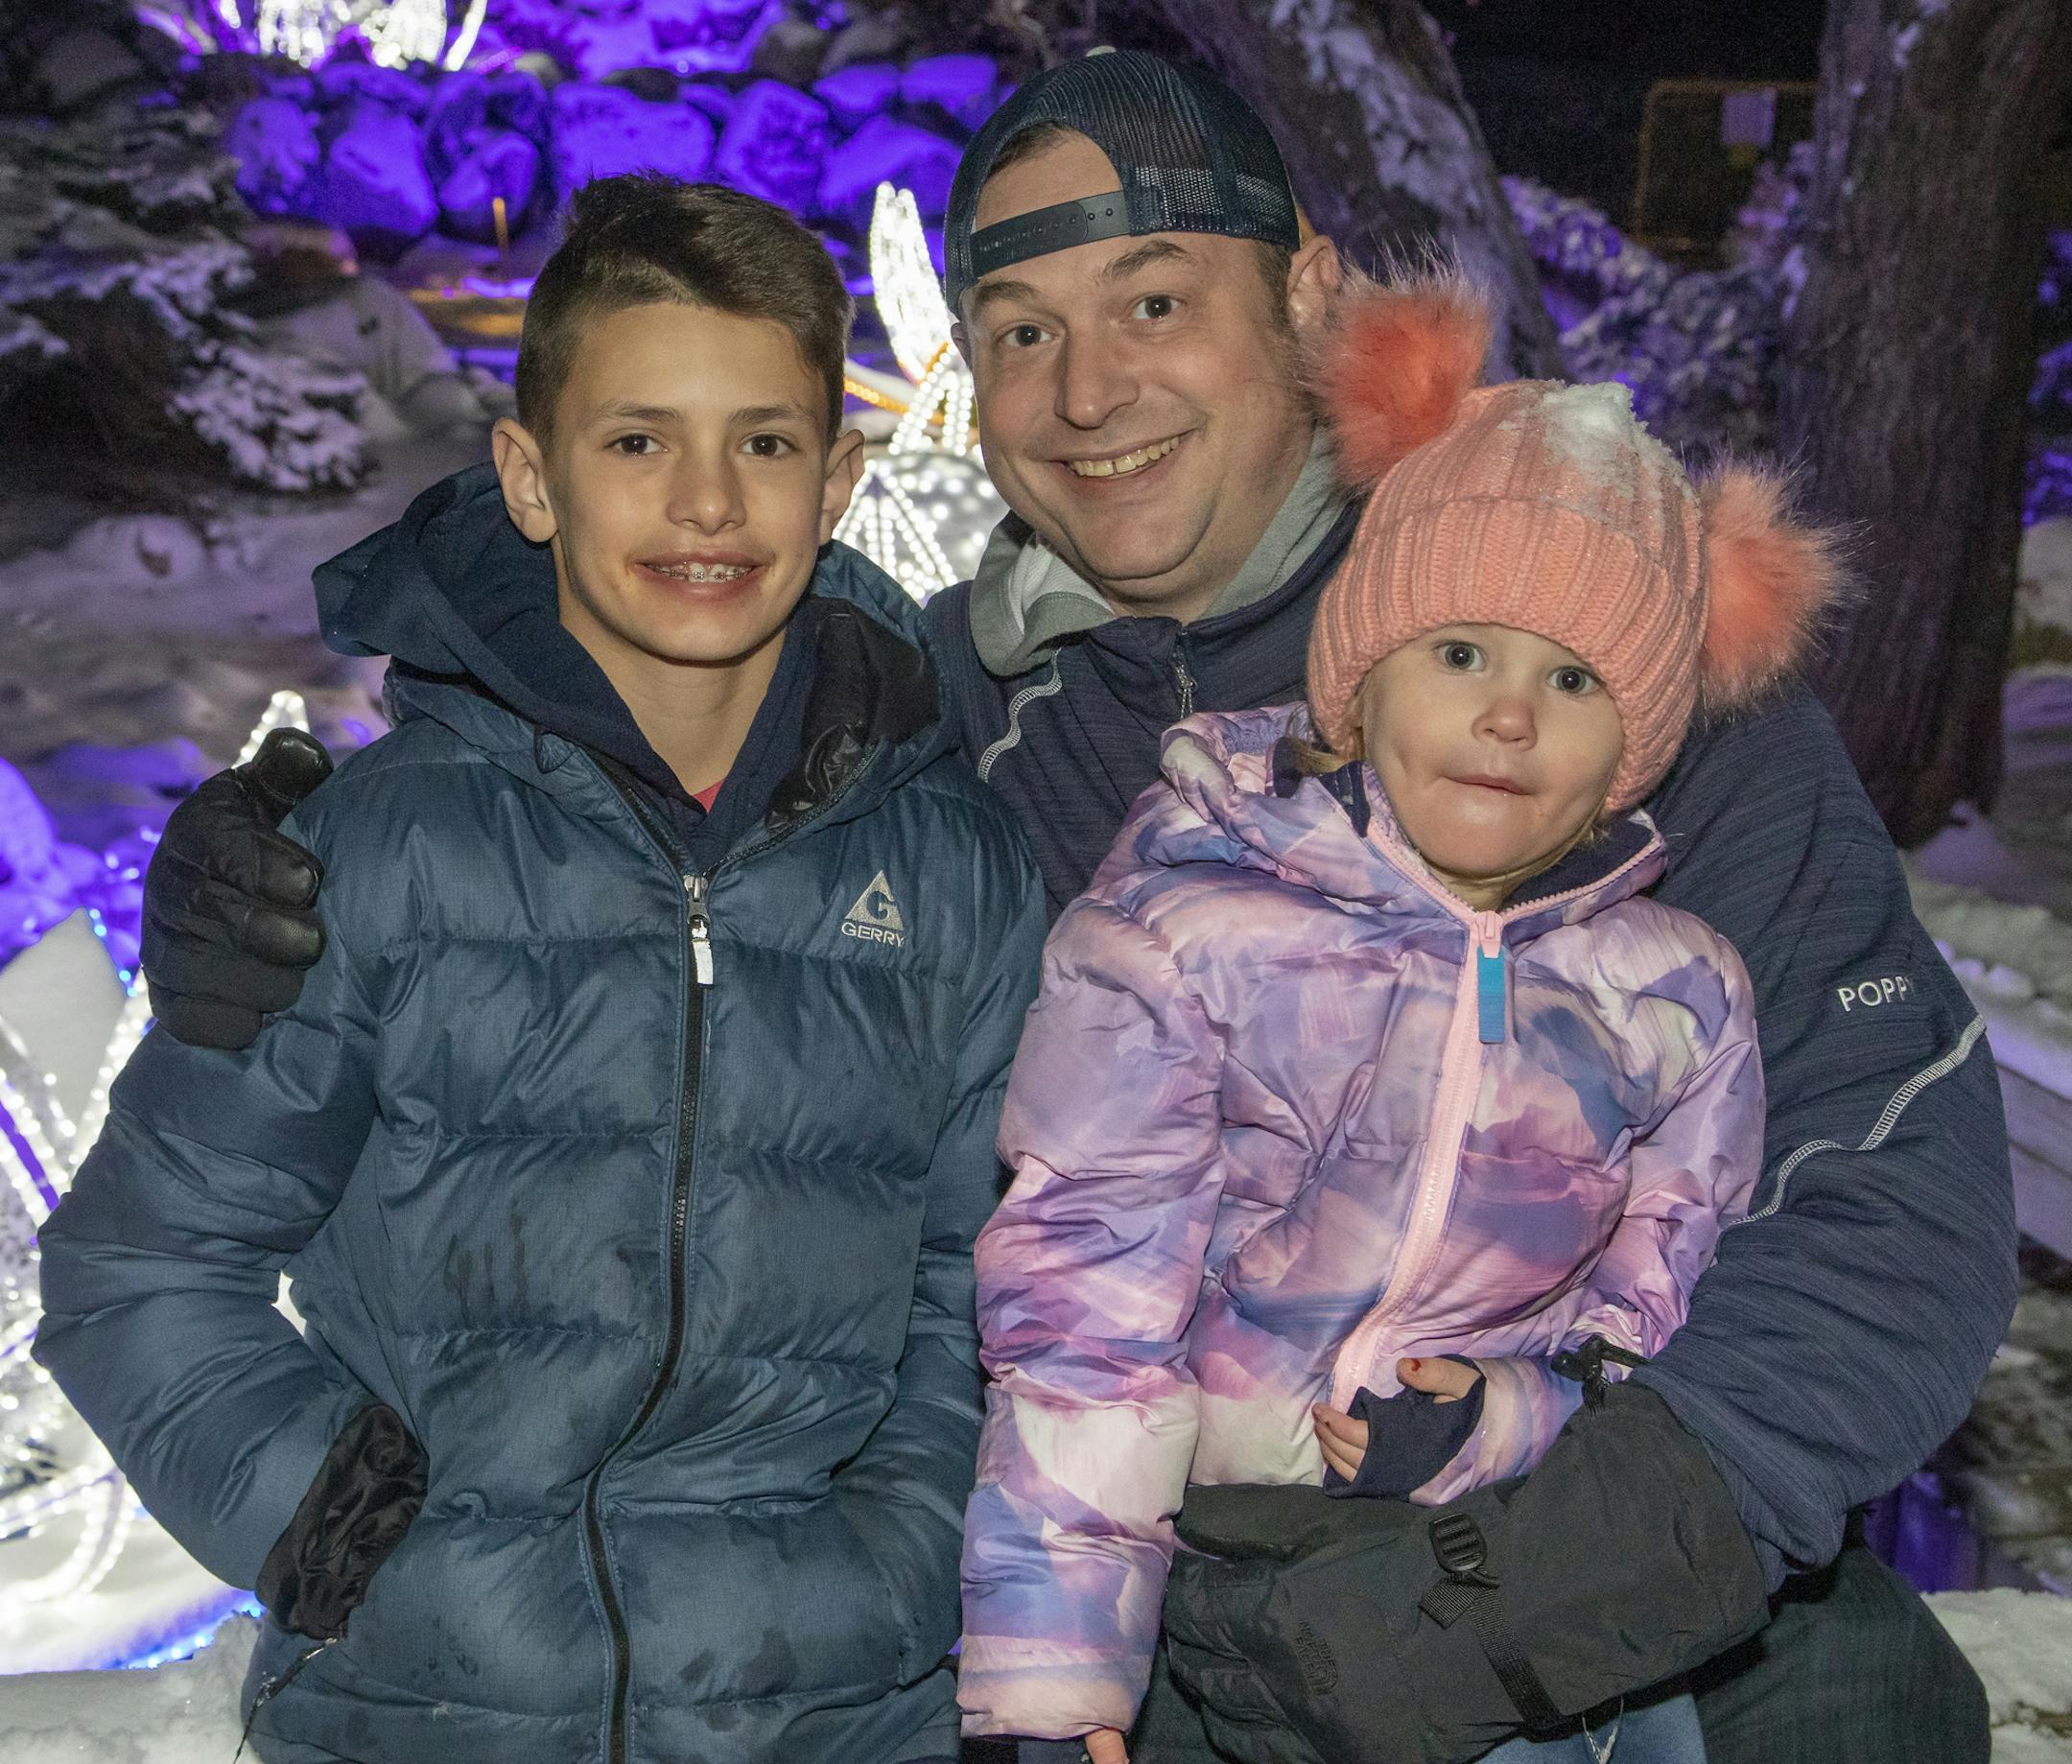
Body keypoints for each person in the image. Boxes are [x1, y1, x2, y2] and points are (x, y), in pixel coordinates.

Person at [135, 51, 2014, 1764]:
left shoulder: (1580, 665)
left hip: (1562, 1509)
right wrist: (301, 903)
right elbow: (625, 866)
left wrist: (1530, 1590)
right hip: (1125, 1558)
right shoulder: (949, 727)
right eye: (1019, 328)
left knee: (1864, 1702)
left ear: (1303, 300)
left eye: (1153, 303)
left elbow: (1893, 1183)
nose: (1085, 389)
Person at [35, 174, 1046, 1764]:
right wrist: (337, 1531)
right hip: (433, 1709)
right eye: (637, 441)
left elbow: (983, 1282)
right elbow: (141, 1266)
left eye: (765, 442)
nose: (707, 504)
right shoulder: (380, 856)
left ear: (840, 478)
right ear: (529, 475)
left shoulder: (950, 874)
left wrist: (900, 1556)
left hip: (835, 1714)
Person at [958, 275, 1841, 1764]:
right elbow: (1082, 1313)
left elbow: (1652, 1316)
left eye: (1573, 679)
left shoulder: (1677, 995)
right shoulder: (1188, 932)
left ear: (1635, 749)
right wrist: (1050, 1684)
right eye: (1460, 655)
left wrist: (1506, 1423)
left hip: (1520, 1582)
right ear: (1358, 688)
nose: (1510, 715)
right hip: (1218, 1563)